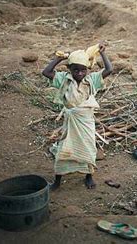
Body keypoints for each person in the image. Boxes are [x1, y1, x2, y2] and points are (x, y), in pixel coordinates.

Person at [42, 43, 113, 190]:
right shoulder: (64, 79)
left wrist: (102, 53)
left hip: (86, 121)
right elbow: (46, 72)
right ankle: (57, 181)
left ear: (88, 69)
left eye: (83, 70)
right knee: (64, 148)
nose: (79, 73)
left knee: (88, 148)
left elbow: (109, 69)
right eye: (75, 70)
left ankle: (88, 176)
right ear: (69, 69)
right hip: (71, 122)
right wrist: (59, 58)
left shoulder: (92, 80)